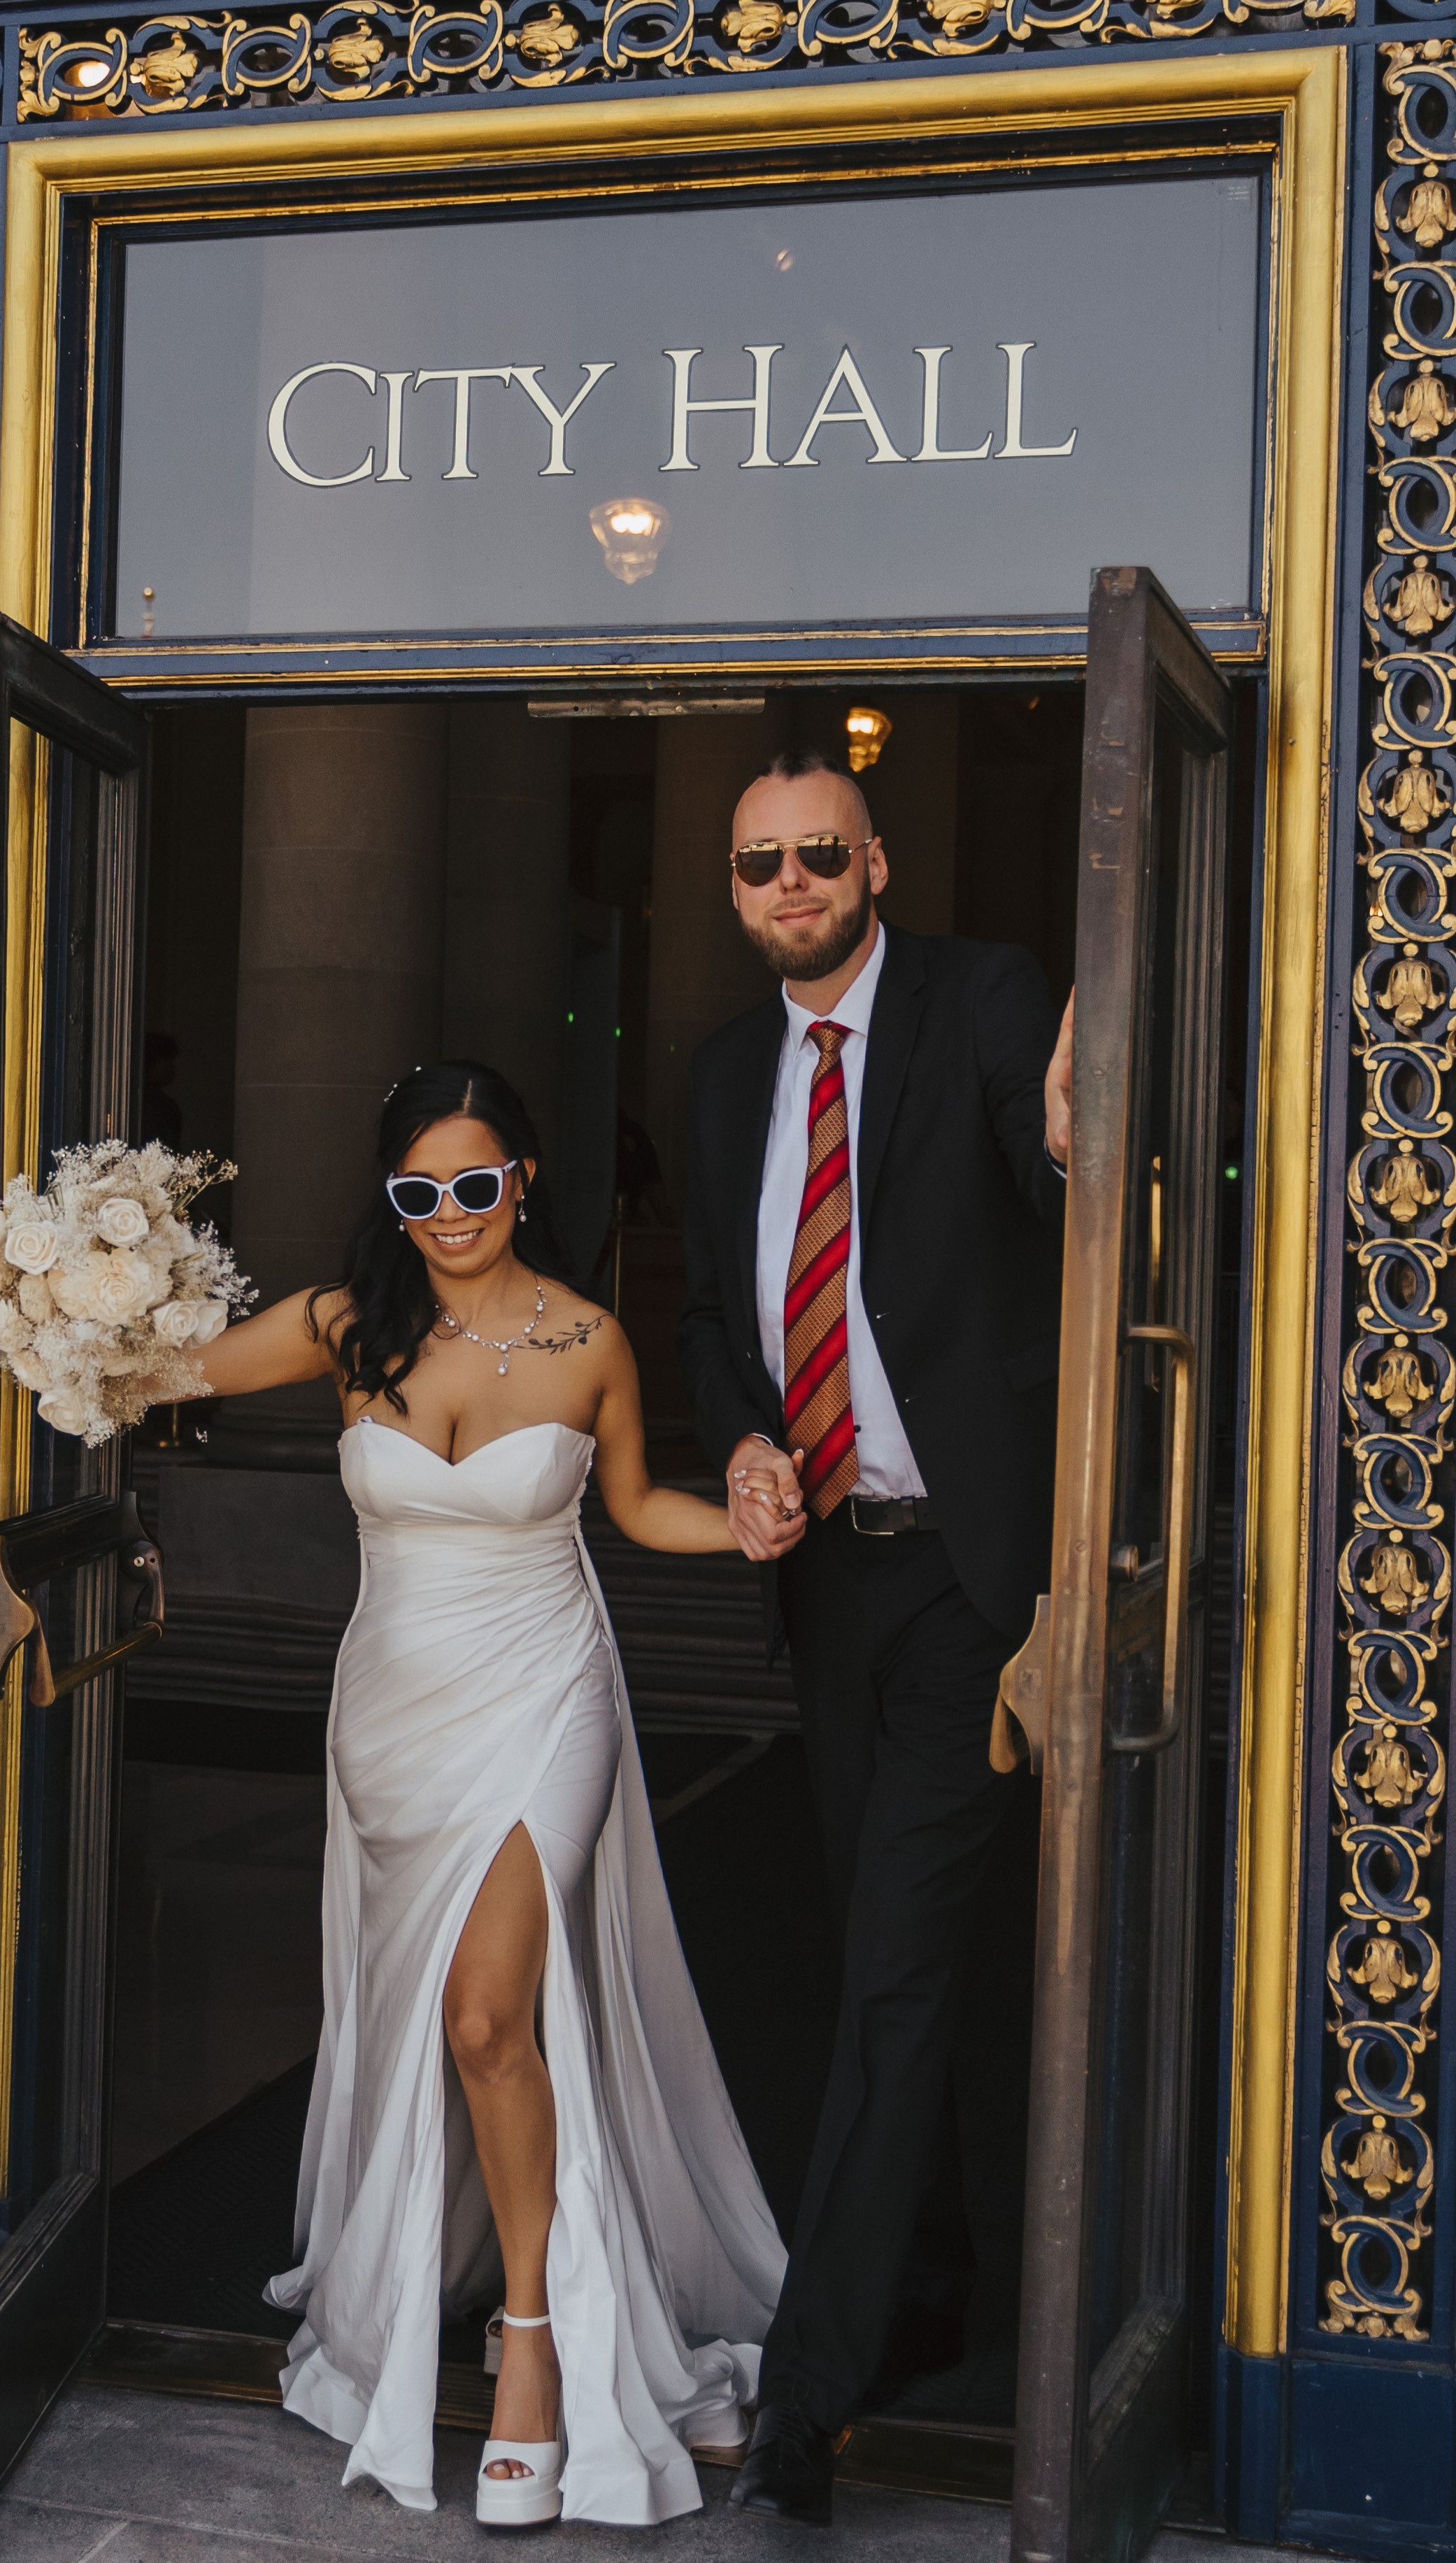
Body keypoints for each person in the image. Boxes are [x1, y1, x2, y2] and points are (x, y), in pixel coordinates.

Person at [184, 1061, 785, 2527]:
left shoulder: (587, 1338)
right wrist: (35, 1288)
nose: (446, 1216)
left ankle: (530, 2343)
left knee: (485, 2011)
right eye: (415, 1193)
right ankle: (456, 2278)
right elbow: (164, 1370)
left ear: (520, 1177)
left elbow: (636, 1509)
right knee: (427, 2023)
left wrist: (754, 1527)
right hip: (392, 1716)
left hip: (544, 1693)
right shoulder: (345, 1325)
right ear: (389, 1202)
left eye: (471, 1185)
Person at [678, 750, 1073, 2526]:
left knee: (899, 1967)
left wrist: (1080, 1135)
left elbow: (1061, 1199)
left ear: (872, 862)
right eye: (759, 862)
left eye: (816, 854)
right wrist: (749, 1443)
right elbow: (709, 1314)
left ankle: (807, 2404)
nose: (789, 881)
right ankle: (926, 2296)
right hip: (828, 1575)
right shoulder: (715, 1075)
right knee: (875, 1961)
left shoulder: (982, 1000)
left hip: (968, 1583)